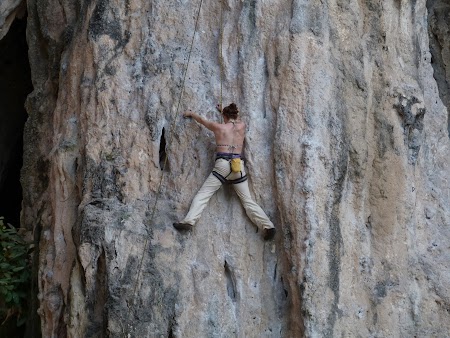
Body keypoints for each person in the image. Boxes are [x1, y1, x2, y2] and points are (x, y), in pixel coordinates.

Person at [173, 103, 276, 240]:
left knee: (204, 194)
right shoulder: (242, 126)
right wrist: (224, 111)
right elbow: (235, 121)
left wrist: (191, 114)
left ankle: (189, 221)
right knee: (248, 201)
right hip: (238, 166)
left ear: (224, 116)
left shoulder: (219, 127)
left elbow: (203, 121)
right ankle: (268, 226)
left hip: (222, 166)